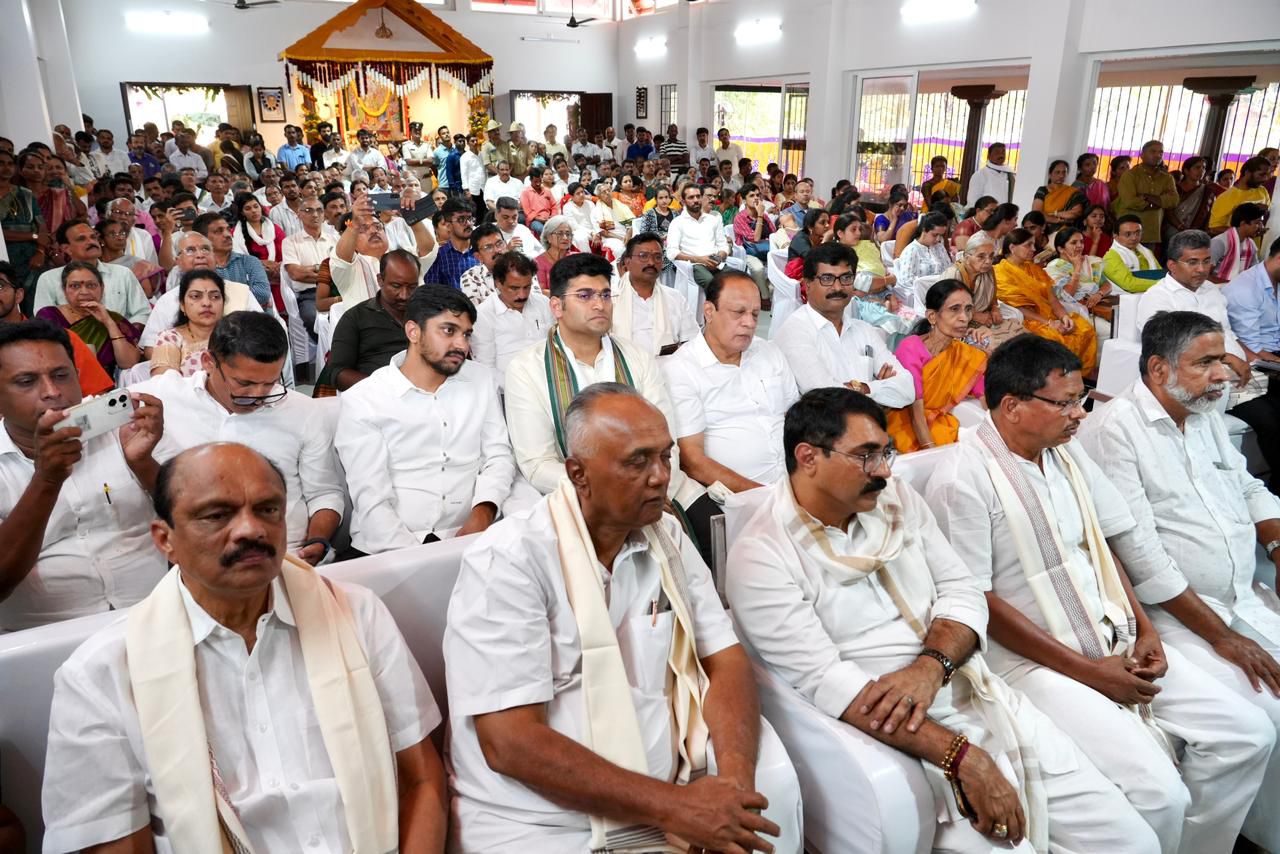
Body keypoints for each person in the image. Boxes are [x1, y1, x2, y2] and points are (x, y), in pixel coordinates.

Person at [729, 386, 1160, 853]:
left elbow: (963, 590)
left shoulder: (896, 501)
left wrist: (930, 669)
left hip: (974, 686)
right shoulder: (762, 557)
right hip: (897, 733)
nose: (884, 471)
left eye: (886, 453)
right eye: (866, 456)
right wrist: (963, 758)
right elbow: (831, 683)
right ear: (808, 457)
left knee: (1134, 842)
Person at [928, 333, 1275, 854]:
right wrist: (1090, 673)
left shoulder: (1064, 454)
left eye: (1081, 398)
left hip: (1112, 632)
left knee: (1249, 735)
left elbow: (1101, 543)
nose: (1080, 414)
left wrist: (1146, 628)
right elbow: (980, 601)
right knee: (1161, 796)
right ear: (1012, 406)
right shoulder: (962, 480)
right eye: (1065, 403)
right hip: (1031, 663)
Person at [445, 383, 802, 852]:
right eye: (638, 461)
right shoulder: (509, 560)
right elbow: (509, 743)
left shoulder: (667, 535)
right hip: (541, 825)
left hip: (675, 796)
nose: (661, 477)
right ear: (578, 474)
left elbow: (726, 660)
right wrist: (675, 808)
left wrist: (731, 790)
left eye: (666, 457)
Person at [42, 442, 448, 852]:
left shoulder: (355, 614)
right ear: (165, 539)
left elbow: (421, 780)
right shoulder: (101, 674)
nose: (251, 530)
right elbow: (115, 844)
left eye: (268, 509)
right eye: (217, 515)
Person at [1078, 310, 1280, 850]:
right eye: (1206, 363)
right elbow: (1139, 554)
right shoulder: (1116, 431)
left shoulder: (1204, 411)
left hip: (1242, 596)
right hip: (1174, 617)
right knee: (1262, 717)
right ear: (1159, 370)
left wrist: (1277, 547)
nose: (1222, 374)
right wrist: (1222, 636)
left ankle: (1264, 830)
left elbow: (1247, 486)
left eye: (1221, 360)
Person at [501, 253, 717, 555]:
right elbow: (537, 464)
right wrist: (615, 491)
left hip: (658, 484)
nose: (599, 304)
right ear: (557, 306)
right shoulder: (526, 369)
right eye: (585, 296)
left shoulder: (637, 357)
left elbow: (667, 441)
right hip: (575, 494)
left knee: (714, 532)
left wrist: (648, 486)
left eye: (605, 295)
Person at [136, 311, 343, 562]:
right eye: (244, 383)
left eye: (269, 383)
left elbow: (324, 493)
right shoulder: (166, 396)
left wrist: (318, 540)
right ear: (208, 362)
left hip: (287, 556)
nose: (258, 395)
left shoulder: (303, 411)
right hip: (203, 561)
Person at [0, 318, 165, 632]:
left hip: (152, 619)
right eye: (26, 381)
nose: (52, 392)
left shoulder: (127, 427)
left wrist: (143, 464)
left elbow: (192, 522)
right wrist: (46, 481)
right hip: (46, 639)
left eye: (61, 375)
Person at [336, 285, 513, 556]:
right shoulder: (365, 400)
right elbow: (372, 499)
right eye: (448, 330)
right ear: (413, 332)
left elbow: (498, 457)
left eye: (466, 334)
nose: (462, 345)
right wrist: (423, 560)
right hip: (387, 549)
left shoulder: (481, 380)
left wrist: (484, 512)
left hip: (472, 536)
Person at [663, 270, 799, 491]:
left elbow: (794, 420)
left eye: (755, 314)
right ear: (709, 311)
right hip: (736, 498)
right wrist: (766, 498)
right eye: (739, 312)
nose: (750, 323)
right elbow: (692, 461)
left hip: (796, 484)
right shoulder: (682, 369)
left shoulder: (769, 352)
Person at [774, 242, 915, 407]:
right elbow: (824, 396)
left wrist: (865, 388)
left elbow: (907, 389)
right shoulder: (795, 331)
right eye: (827, 279)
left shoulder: (864, 330)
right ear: (808, 284)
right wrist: (879, 388)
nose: (838, 287)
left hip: (869, 420)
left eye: (846, 278)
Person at [886, 279, 988, 452]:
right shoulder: (911, 348)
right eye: (954, 309)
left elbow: (985, 397)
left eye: (968, 309)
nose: (964, 318)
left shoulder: (965, 353)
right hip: (905, 425)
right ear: (932, 316)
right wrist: (932, 453)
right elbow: (916, 414)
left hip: (940, 423)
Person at [994, 228, 1098, 373]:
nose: (1034, 249)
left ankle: (1076, 377)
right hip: (1027, 320)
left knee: (1084, 329)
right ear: (1012, 247)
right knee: (1055, 340)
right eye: (1028, 245)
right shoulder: (1000, 272)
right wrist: (1049, 323)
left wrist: (1064, 317)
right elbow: (1019, 308)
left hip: (1050, 316)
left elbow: (1052, 299)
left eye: (1033, 244)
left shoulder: (1034, 269)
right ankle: (1053, 380)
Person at [326, 248, 422, 391]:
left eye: (412, 287)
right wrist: (384, 387)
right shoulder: (355, 318)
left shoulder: (427, 315)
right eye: (396, 286)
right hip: (375, 394)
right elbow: (337, 373)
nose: (404, 295)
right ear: (380, 280)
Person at [33, 219, 150, 326]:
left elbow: (142, 313)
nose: (91, 242)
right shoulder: (49, 279)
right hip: (69, 340)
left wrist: (125, 334)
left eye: (93, 237)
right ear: (66, 248)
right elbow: (44, 320)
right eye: (81, 239)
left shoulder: (122, 274)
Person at [36, 260, 142, 376]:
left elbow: (128, 363)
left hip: (105, 383)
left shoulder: (114, 319)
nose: (84, 292)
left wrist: (108, 323)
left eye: (91, 285)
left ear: (102, 288)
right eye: (75, 286)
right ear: (64, 290)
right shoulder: (50, 316)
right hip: (64, 381)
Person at [332, 192, 431, 306]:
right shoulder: (347, 269)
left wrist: (414, 219)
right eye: (363, 228)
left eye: (378, 226)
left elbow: (427, 251)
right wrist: (355, 222)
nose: (373, 231)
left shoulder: (405, 257)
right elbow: (341, 259)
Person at [472, 251, 552, 391]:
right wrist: (521, 389)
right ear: (498, 283)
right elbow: (486, 368)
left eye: (527, 287)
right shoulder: (483, 316)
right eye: (514, 288)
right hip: (510, 392)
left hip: (551, 384)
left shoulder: (543, 303)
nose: (522, 295)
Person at [611, 232, 699, 357]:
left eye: (657, 257)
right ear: (628, 262)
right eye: (643, 256)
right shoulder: (611, 300)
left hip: (670, 365)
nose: (651, 262)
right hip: (625, 367)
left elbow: (691, 340)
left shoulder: (675, 298)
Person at [940, 231, 1023, 348]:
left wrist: (994, 309)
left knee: (1019, 334)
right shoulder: (954, 275)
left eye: (991, 256)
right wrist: (975, 316)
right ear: (967, 257)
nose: (988, 261)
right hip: (958, 323)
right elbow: (946, 308)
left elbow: (992, 296)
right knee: (998, 345)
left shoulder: (988, 271)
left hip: (985, 318)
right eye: (981, 256)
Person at [150, 268, 223, 376]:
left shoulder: (236, 336)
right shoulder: (170, 338)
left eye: (215, 297)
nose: (207, 303)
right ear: (182, 305)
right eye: (196, 296)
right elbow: (164, 383)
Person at [281, 196, 334, 336]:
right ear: (299, 215)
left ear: (324, 214)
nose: (315, 214)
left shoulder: (334, 240)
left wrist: (311, 269)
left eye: (319, 210)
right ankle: (329, 348)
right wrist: (326, 271)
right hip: (310, 295)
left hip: (336, 291)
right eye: (309, 210)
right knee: (312, 318)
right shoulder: (290, 242)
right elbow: (296, 274)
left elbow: (342, 270)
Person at [1116, 140, 1178, 255]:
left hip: (1151, 232)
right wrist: (1158, 203)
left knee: (1146, 264)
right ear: (1142, 155)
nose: (1157, 155)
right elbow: (1130, 201)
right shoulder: (1130, 175)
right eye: (1153, 151)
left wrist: (1147, 197)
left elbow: (1174, 200)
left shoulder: (1167, 178)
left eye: (1160, 152)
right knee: (1124, 262)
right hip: (1128, 232)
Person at [1045, 227, 1109, 318]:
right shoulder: (1054, 267)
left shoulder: (1089, 262)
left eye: (1081, 242)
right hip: (1072, 314)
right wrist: (1077, 268)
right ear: (1061, 249)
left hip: (1096, 308)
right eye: (1074, 242)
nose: (1080, 245)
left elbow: (1106, 284)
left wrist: (1099, 294)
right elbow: (1067, 295)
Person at [894, 210, 952, 303]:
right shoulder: (912, 250)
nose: (938, 239)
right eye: (935, 235)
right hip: (923, 295)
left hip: (943, 292)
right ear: (924, 230)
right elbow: (906, 281)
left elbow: (949, 269)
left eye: (941, 235)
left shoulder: (939, 247)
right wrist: (929, 286)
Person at [1210, 156, 1273, 240]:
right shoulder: (1226, 197)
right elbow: (1214, 228)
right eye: (1261, 174)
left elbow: (1266, 216)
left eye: (1267, 174)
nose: (1265, 178)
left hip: (1254, 246)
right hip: (1235, 246)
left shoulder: (1262, 191)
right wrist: (1243, 231)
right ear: (1247, 173)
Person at [425, 198, 478, 289]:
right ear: (448, 225)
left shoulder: (482, 251)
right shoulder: (438, 256)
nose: (468, 223)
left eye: (470, 218)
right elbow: (433, 292)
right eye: (461, 219)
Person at [1102, 214, 1161, 293]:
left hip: (1153, 293)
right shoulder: (1110, 256)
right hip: (1125, 298)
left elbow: (1160, 273)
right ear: (1115, 236)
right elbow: (1129, 284)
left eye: (1137, 233)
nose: (1134, 238)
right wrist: (1161, 284)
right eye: (1128, 234)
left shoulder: (1147, 252)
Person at [1210, 201, 1267, 283]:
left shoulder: (1251, 245)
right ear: (1243, 223)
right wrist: (1231, 285)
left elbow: (1255, 272)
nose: (1261, 227)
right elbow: (1203, 275)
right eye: (1257, 223)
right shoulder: (1219, 242)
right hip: (1214, 288)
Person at [1165, 156, 1217, 240]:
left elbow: (1209, 215)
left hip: (1194, 236)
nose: (1201, 171)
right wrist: (1181, 227)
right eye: (1197, 167)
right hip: (1170, 232)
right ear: (1186, 171)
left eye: (1203, 168)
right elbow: (1167, 210)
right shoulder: (1174, 188)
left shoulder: (1207, 192)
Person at [457, 222, 505, 304]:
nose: (497, 250)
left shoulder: (520, 268)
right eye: (488, 247)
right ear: (478, 256)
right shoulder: (471, 277)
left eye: (499, 243)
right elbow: (477, 310)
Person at [1032, 160, 1086, 228]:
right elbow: (1036, 213)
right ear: (1050, 174)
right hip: (1044, 228)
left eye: (1064, 172)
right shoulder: (1042, 190)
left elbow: (1076, 213)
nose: (1061, 175)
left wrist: (1053, 214)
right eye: (1057, 172)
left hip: (1066, 230)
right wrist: (1057, 220)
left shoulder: (1073, 191)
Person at [519, 166, 559, 236]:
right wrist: (540, 219)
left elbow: (554, 206)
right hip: (534, 221)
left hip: (549, 218)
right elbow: (528, 212)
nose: (538, 183)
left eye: (539, 181)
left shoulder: (547, 191)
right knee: (540, 228)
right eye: (535, 182)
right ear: (530, 180)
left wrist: (552, 216)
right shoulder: (525, 193)